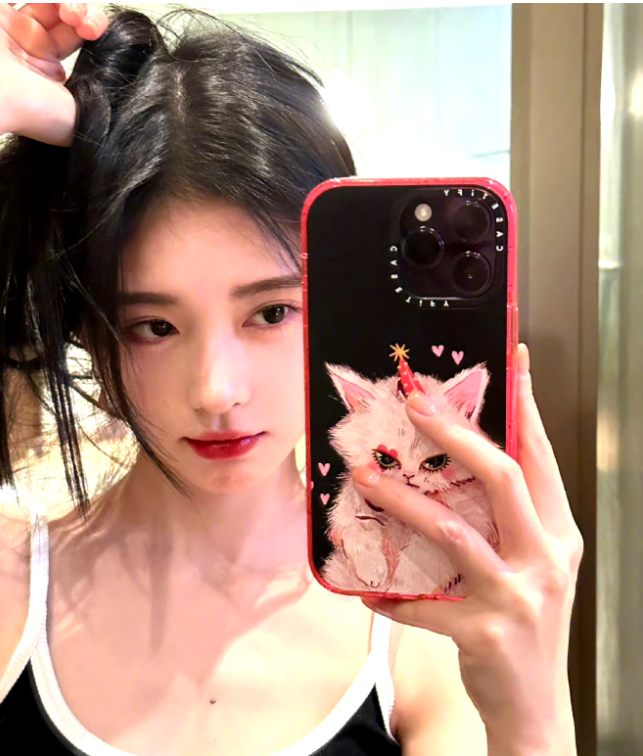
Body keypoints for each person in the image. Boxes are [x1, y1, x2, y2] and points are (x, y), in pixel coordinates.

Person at [0, 4, 583, 755]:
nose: (217, 390)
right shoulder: (13, 589)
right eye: (153, 325)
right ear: (88, 326)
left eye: (271, 312)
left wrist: (533, 712)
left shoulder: (417, 627)